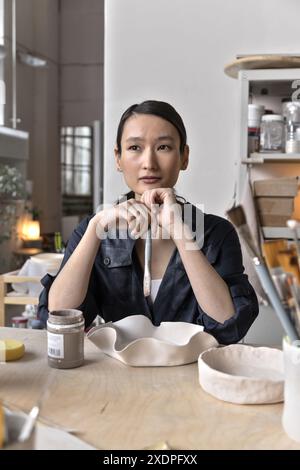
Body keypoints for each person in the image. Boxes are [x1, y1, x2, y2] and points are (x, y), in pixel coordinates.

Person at [38, 100, 258, 344]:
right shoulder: (96, 230)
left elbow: (228, 326)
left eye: (163, 147)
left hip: (193, 377)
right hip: (118, 377)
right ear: (118, 158)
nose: (149, 163)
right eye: (134, 147)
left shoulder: (217, 233)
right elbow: (58, 318)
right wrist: (95, 229)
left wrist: (181, 232)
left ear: (184, 157)